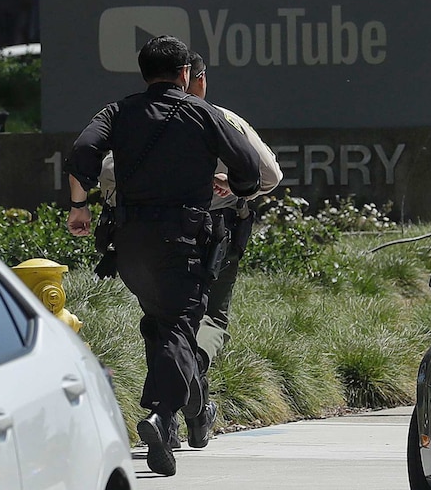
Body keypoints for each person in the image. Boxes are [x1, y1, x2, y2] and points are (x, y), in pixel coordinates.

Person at [65, 35, 261, 477]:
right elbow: (248, 166)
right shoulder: (202, 113)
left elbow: (82, 150)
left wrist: (80, 206)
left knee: (159, 322)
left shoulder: (116, 111)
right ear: (185, 74)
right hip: (183, 241)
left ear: (144, 72)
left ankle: (193, 407)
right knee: (179, 326)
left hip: (130, 243)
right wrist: (240, 190)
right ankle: (161, 415)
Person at [98, 51, 283, 449]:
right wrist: (233, 187)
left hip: (149, 234)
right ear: (194, 79)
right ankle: (193, 382)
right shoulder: (220, 118)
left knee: (164, 322)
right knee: (210, 320)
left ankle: (180, 417)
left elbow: (108, 173)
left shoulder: (142, 119)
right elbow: (268, 174)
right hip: (214, 235)